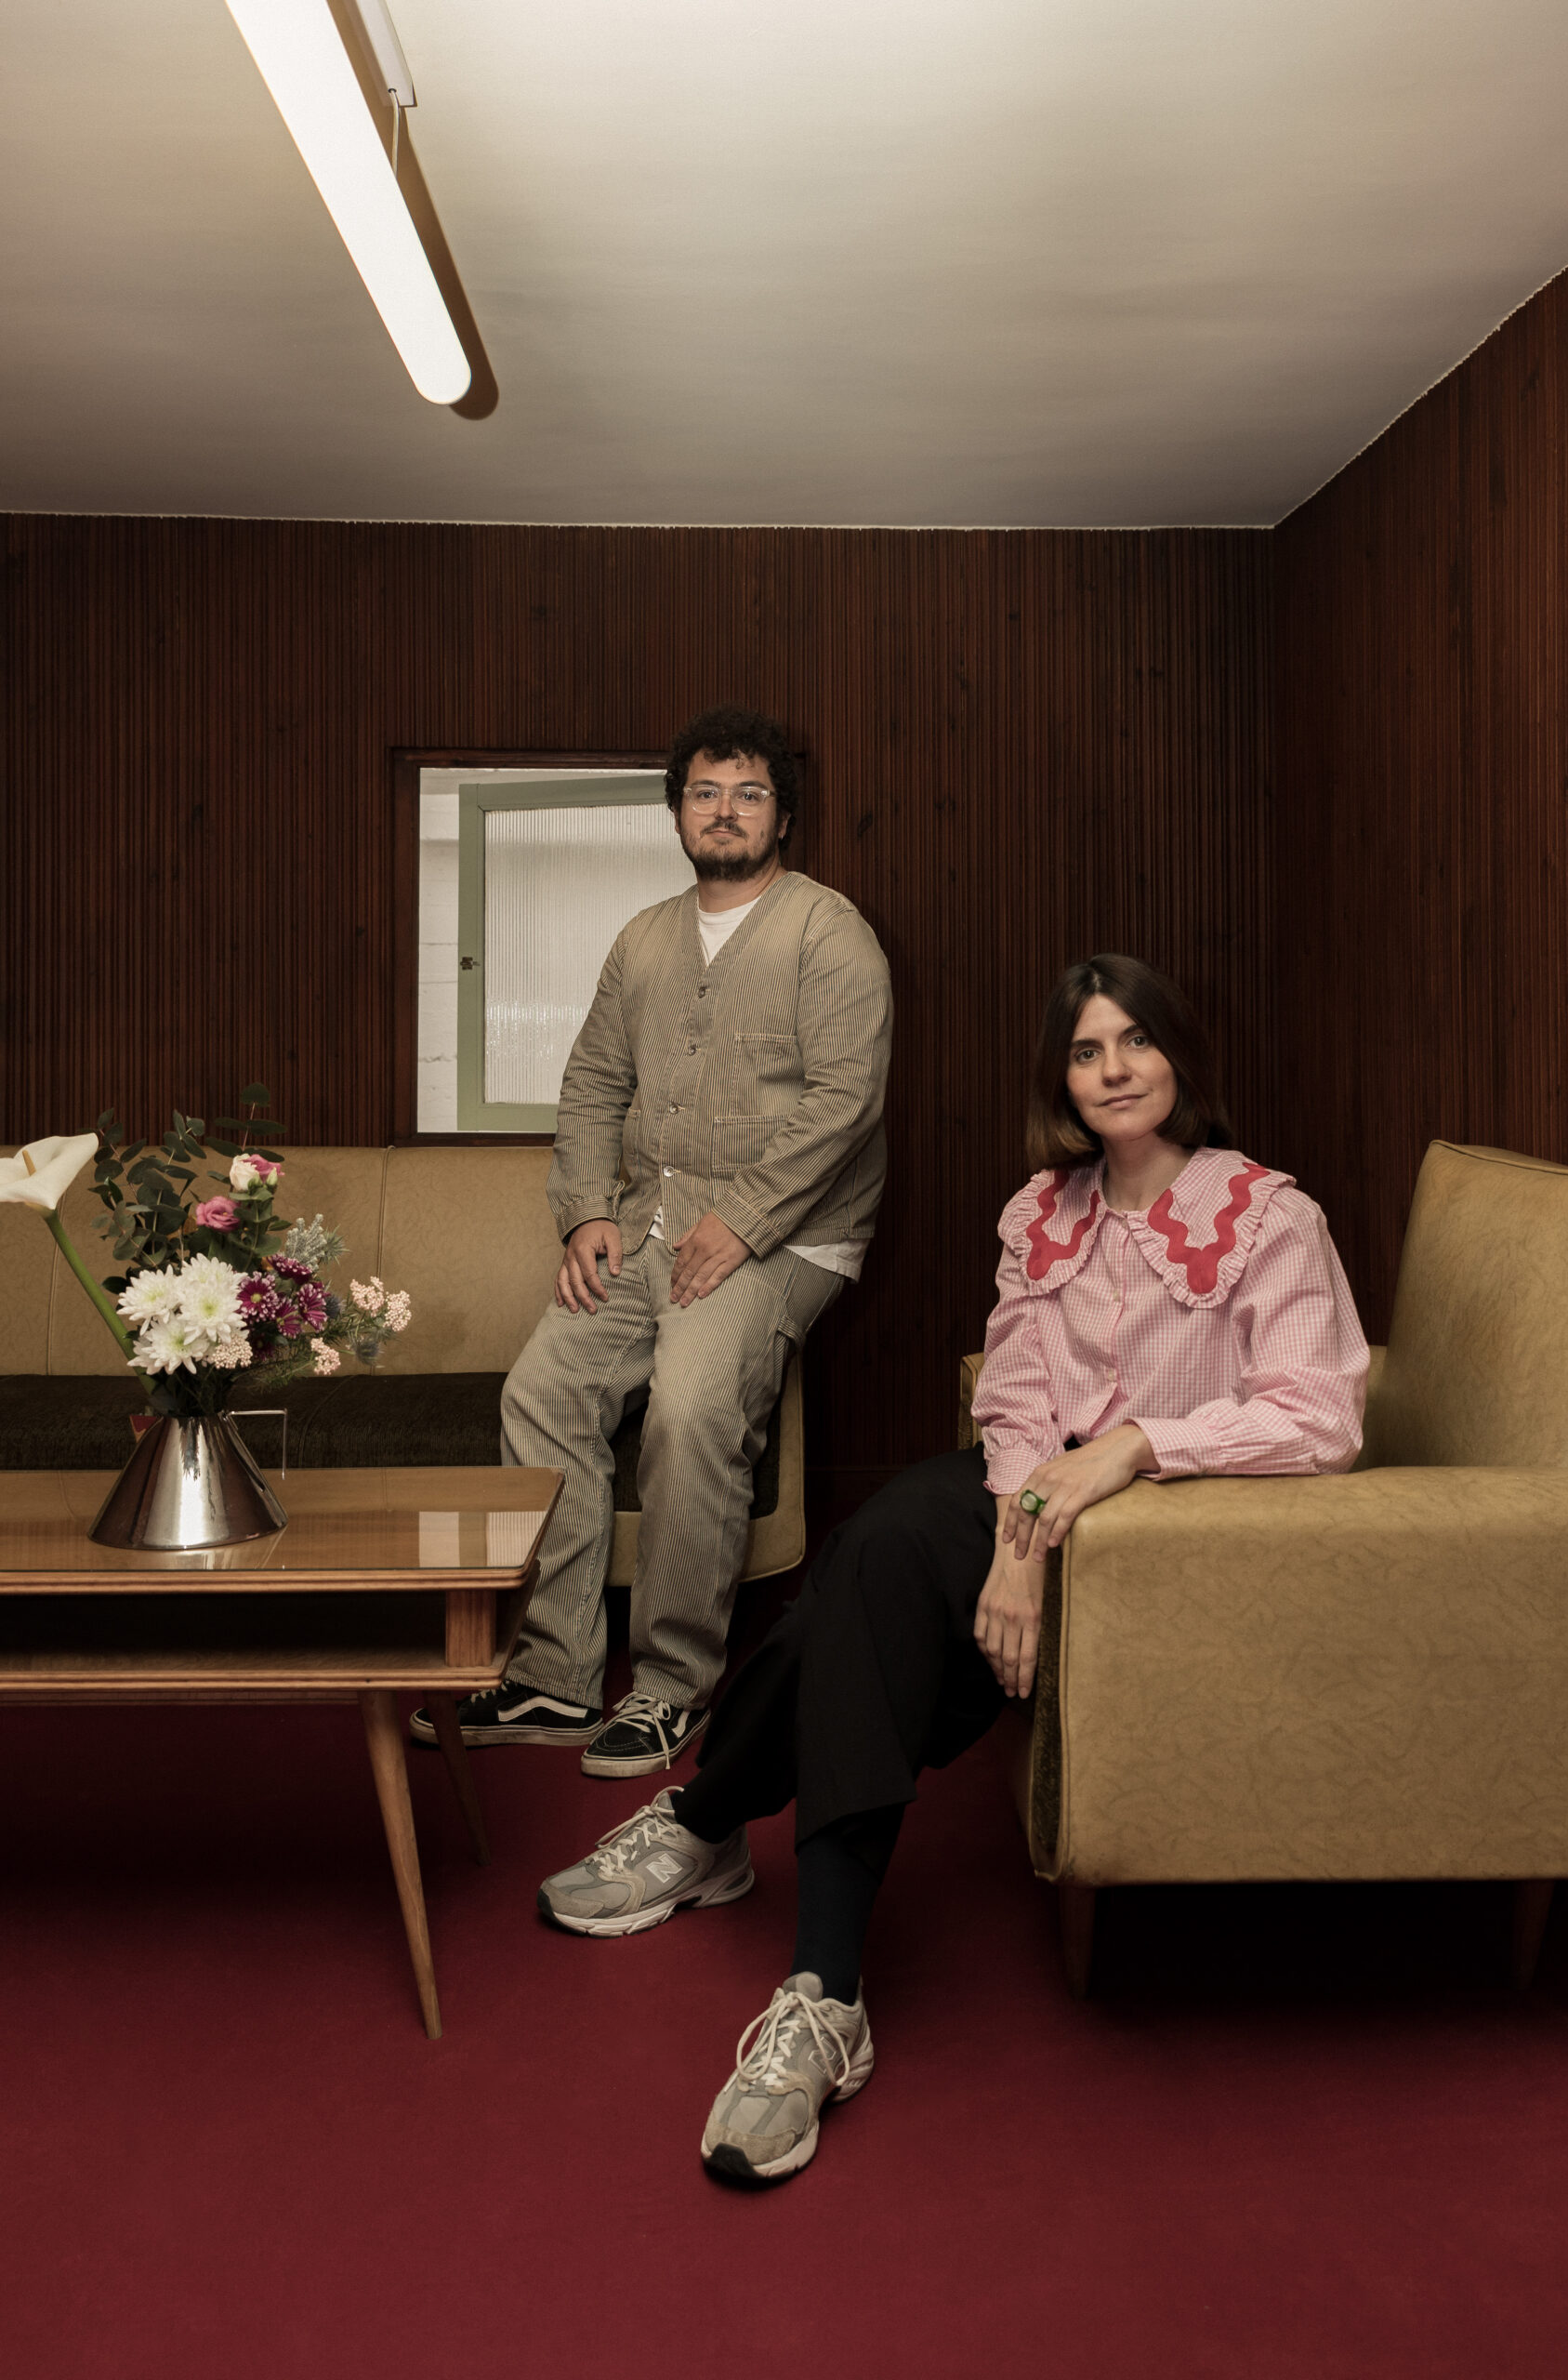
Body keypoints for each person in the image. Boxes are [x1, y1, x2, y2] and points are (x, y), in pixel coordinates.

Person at [535, 953, 1370, 2184]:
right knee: (875, 1558)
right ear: (1061, 1080)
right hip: (1036, 1492)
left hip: (1170, 1529)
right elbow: (1018, 1399)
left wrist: (1133, 1447)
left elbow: (1320, 1418)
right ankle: (824, 1994)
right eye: (1085, 1051)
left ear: (1179, 1056)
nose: (1113, 1070)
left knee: (860, 1582)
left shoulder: (1268, 1214)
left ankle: (708, 1819)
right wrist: (1019, 1543)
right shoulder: (1042, 1211)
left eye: (1135, 1041)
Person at [413, 706, 892, 1778]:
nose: (724, 811)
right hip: (650, 1222)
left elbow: (846, 1101)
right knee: (542, 1390)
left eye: (749, 793)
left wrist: (746, 1219)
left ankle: (674, 1683)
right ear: (677, 812)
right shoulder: (642, 938)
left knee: (690, 1409)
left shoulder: (829, 932)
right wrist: (587, 1209)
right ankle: (554, 1676)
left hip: (790, 1234)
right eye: (704, 793)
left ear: (783, 817)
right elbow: (592, 1084)